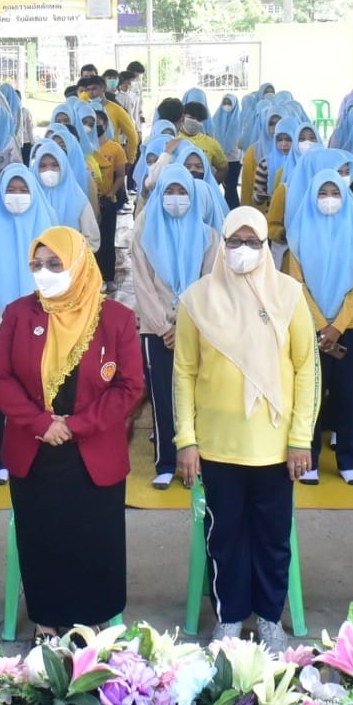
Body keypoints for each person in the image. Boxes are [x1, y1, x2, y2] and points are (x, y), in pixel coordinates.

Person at [173, 206, 319, 649]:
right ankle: (230, 616)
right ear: (222, 244)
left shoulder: (289, 295)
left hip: (274, 447)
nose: (242, 250)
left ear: (264, 246)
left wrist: (300, 439)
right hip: (217, 446)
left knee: (273, 536)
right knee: (225, 536)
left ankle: (270, 618)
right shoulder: (196, 299)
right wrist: (186, 440)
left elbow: (305, 367)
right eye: (233, 241)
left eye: (252, 242)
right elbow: (183, 372)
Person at [0, 226, 145, 633]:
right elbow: (0, 377)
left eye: (55, 263)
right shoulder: (20, 314)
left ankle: (92, 622)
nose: (44, 272)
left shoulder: (116, 319)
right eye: (37, 265)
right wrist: (41, 423)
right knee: (42, 538)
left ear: (77, 262)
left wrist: (75, 426)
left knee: (94, 540)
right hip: (35, 450)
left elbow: (130, 386)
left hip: (93, 452)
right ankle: (47, 621)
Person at [129, 164, 221, 491]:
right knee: (163, 394)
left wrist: (183, 323)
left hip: (195, 329)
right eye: (169, 191)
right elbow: (141, 284)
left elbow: (209, 282)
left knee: (198, 394)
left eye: (183, 192)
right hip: (156, 331)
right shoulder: (144, 235)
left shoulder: (209, 237)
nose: (176, 198)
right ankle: (166, 461)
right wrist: (161, 324)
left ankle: (197, 460)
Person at [282, 169, 353, 485]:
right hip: (311, 329)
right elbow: (297, 284)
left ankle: (347, 460)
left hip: (351, 328)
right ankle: (309, 460)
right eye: (323, 193)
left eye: (335, 193)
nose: (329, 200)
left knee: (347, 397)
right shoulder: (298, 233)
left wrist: (337, 327)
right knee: (312, 396)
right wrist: (323, 325)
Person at [0, 165, 57, 483]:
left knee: (41, 393)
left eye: (23, 190)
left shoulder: (49, 233)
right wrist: (1, 312)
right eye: (10, 189)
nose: (16, 196)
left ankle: (39, 451)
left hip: (43, 326)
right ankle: (0, 460)